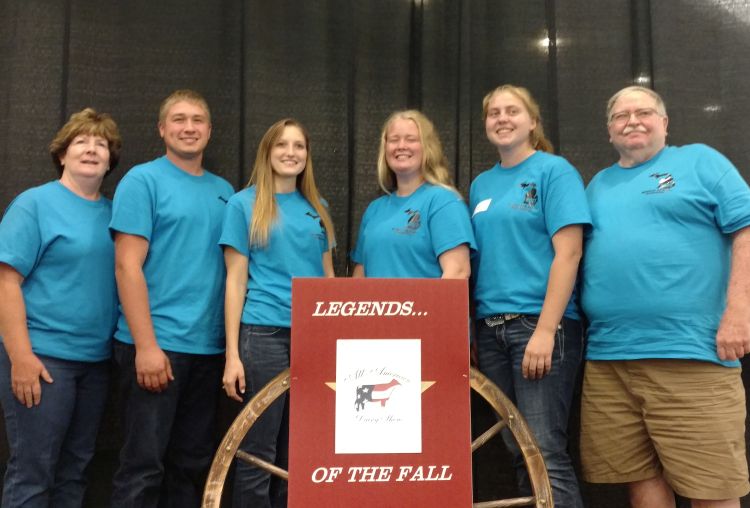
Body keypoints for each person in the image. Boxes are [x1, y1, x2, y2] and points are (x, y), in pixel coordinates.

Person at [581, 85, 750, 507]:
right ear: (608, 131)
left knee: (712, 486)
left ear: (665, 122)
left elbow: (746, 230)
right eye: (621, 115)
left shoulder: (700, 161)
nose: (632, 121)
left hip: (691, 352)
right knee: (640, 479)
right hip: (609, 359)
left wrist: (740, 311)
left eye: (643, 112)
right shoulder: (597, 185)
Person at [109, 89, 234, 507]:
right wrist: (146, 346)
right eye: (179, 119)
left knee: (191, 467)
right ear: (162, 129)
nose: (189, 127)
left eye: (198, 120)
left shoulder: (225, 191)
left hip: (208, 351)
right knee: (142, 468)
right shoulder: (142, 181)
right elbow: (127, 267)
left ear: (210, 131)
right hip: (155, 349)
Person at [469, 85, 589, 507]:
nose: (502, 118)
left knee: (545, 450)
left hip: (538, 328)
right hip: (490, 331)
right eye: (494, 112)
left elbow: (569, 253)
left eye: (512, 111)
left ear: (532, 122)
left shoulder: (553, 171)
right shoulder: (481, 183)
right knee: (519, 452)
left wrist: (544, 329)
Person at [0, 108, 121, 507]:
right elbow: (6, 283)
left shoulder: (116, 215)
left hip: (96, 365)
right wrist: (20, 357)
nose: (91, 149)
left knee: (76, 472)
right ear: (62, 155)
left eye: (100, 144)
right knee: (33, 473)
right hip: (43, 362)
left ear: (110, 159)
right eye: (81, 142)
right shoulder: (34, 204)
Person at [220, 118, 335, 507]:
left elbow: (328, 277)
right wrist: (232, 355)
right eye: (282, 145)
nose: (291, 153)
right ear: (267, 153)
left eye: (299, 146)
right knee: (259, 451)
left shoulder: (318, 207)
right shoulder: (243, 204)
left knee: (303, 453)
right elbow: (235, 280)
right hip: (264, 335)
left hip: (314, 339)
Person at [351, 109, 474, 279]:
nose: (401, 146)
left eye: (411, 139)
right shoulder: (374, 209)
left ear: (428, 147)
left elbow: (457, 272)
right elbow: (359, 279)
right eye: (394, 140)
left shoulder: (443, 202)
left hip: (425, 306)